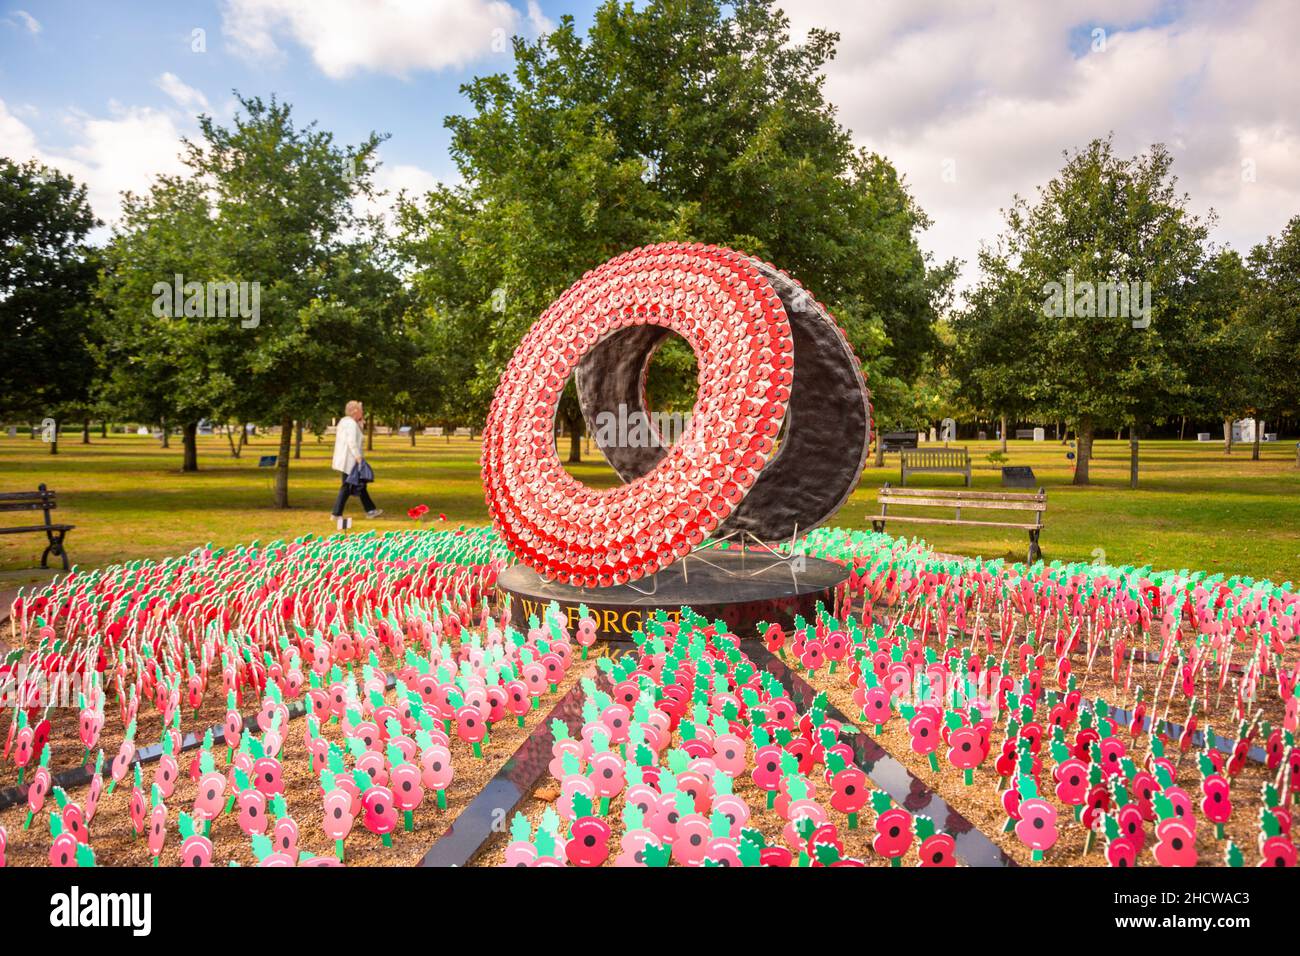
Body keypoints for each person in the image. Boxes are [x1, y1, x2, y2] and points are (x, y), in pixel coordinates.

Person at [331, 400, 382, 519]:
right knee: (348, 486)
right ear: (355, 411)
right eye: (361, 410)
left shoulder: (345, 422)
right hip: (350, 460)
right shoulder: (350, 424)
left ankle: (370, 510)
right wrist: (358, 458)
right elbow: (352, 442)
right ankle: (336, 513)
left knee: (360, 485)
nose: (363, 413)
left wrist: (359, 424)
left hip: (347, 459)